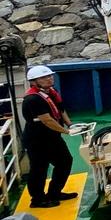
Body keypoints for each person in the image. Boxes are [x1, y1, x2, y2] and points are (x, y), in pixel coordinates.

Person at [21, 65, 77, 208]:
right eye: (44, 77)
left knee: (65, 161)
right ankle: (37, 199)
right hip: (37, 140)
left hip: (52, 137)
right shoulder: (32, 99)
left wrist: (70, 125)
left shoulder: (52, 92)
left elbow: (61, 110)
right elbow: (47, 120)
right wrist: (67, 132)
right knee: (39, 168)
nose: (49, 78)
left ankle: (54, 193)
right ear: (33, 82)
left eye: (50, 75)